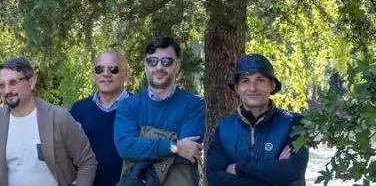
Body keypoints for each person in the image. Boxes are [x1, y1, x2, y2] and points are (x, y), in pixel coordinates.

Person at [0, 57, 97, 186]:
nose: (7, 91)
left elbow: (87, 162)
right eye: (1, 85)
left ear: (31, 82)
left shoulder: (58, 118)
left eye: (13, 82)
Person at [114, 37, 206, 186]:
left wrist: (142, 144)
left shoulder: (194, 105)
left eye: (167, 61)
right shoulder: (128, 105)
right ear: (145, 65)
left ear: (177, 66)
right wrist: (174, 146)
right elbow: (125, 147)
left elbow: (188, 153)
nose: (159, 67)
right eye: (152, 61)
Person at [206, 55, 309, 186]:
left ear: (272, 85)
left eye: (260, 80)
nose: (252, 88)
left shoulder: (294, 123)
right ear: (236, 88)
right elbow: (215, 178)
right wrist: (273, 175)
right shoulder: (223, 128)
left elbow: (294, 170)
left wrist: (238, 168)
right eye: (245, 81)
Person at [69, 50, 133, 186]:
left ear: (127, 75)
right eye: (100, 69)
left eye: (114, 69)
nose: (106, 74)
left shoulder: (141, 107)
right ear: (94, 75)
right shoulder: (78, 110)